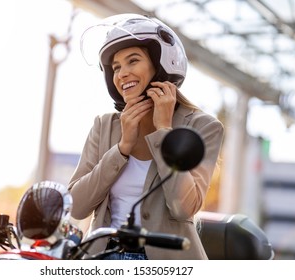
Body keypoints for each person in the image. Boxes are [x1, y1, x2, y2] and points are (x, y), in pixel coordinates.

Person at [68, 14, 224, 260]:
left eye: (133, 61)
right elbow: (76, 206)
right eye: (116, 67)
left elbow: (183, 208)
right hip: (102, 256)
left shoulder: (203, 126)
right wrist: (121, 148)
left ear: (161, 65)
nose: (122, 74)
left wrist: (163, 132)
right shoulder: (104, 125)